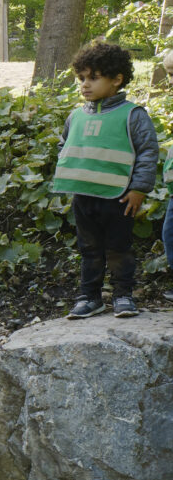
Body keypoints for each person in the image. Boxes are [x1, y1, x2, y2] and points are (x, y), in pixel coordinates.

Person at [51, 36, 159, 319]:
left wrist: (139, 189)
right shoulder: (75, 116)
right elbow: (66, 145)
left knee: (119, 249)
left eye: (94, 78)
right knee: (89, 250)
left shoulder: (133, 115)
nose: (84, 84)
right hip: (84, 198)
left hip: (119, 198)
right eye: (82, 78)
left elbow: (148, 152)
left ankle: (123, 295)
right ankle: (90, 297)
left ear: (117, 79)